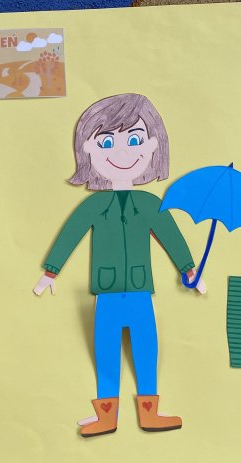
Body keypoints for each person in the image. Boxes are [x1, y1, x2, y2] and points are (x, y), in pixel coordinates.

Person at [33, 93, 205, 437]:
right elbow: (71, 234)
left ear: (153, 145)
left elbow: (169, 235)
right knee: (106, 351)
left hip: (140, 290)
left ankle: (150, 413)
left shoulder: (150, 203)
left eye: (135, 141)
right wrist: (51, 272)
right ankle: (106, 416)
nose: (123, 152)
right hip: (107, 291)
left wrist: (188, 268)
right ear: (89, 149)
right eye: (108, 142)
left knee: (146, 348)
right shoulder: (94, 206)